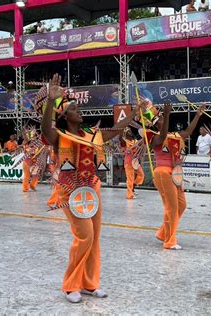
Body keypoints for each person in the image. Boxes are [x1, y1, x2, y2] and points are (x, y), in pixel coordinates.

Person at [41, 74, 138, 304]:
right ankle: (70, 285)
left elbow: (115, 130)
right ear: (65, 116)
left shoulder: (92, 136)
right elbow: (46, 129)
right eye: (74, 109)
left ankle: (89, 283)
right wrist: (50, 102)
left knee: (95, 238)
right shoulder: (59, 136)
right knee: (84, 236)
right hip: (70, 190)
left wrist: (135, 112)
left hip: (91, 189)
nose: (80, 111)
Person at [145, 102, 205, 250]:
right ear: (155, 123)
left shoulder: (175, 136)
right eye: (159, 119)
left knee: (182, 205)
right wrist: (166, 114)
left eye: (162, 118)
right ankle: (169, 241)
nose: (162, 119)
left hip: (175, 174)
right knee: (171, 207)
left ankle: (162, 233)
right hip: (163, 173)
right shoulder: (154, 137)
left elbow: (188, 132)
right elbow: (163, 134)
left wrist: (197, 115)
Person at [120, 129, 144, 199]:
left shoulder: (135, 141)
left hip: (135, 162)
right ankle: (129, 194)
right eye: (128, 132)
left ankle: (133, 186)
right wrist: (121, 128)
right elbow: (120, 138)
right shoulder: (124, 142)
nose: (130, 132)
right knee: (130, 179)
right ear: (126, 134)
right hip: (128, 163)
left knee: (141, 174)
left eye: (130, 131)